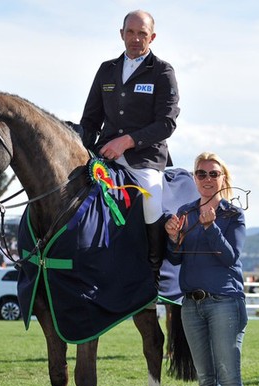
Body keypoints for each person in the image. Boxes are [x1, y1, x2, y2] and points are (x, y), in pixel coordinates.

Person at [80, 9, 180, 287]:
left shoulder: (162, 71)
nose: (136, 39)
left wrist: (127, 141)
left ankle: (154, 268)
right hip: (105, 159)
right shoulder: (106, 70)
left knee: (151, 201)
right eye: (131, 32)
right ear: (121, 34)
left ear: (152, 37)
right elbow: (90, 120)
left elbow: (167, 123)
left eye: (142, 34)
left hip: (145, 159)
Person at [164, 152, 247, 386]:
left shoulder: (232, 216)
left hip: (225, 302)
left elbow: (229, 257)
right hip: (191, 306)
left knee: (229, 376)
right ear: (195, 179)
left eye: (214, 174)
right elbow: (175, 260)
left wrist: (211, 227)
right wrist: (173, 238)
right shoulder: (185, 212)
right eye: (201, 174)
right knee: (206, 377)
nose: (207, 179)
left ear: (223, 179)